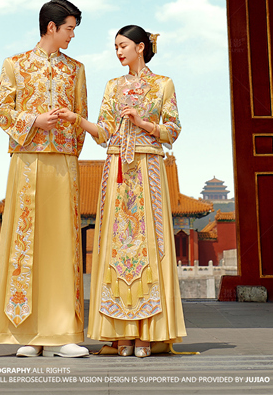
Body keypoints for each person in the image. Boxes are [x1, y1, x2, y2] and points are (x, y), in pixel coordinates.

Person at [58, 25, 186, 358]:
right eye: (115, 47)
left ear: (141, 47)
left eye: (123, 46)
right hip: (115, 170)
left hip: (147, 168)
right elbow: (104, 132)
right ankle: (122, 335)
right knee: (116, 249)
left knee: (149, 245)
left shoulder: (163, 84)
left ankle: (147, 334)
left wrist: (143, 123)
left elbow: (173, 129)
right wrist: (76, 119)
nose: (118, 52)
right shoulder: (112, 86)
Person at [0, 0, 90, 359]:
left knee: (62, 244)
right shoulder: (14, 65)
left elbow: (81, 116)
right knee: (24, 244)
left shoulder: (76, 69)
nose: (72, 35)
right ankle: (28, 334)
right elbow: (0, 111)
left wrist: (67, 148)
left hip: (62, 164)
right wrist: (34, 122)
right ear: (51, 27)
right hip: (26, 162)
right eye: (69, 28)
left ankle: (63, 334)